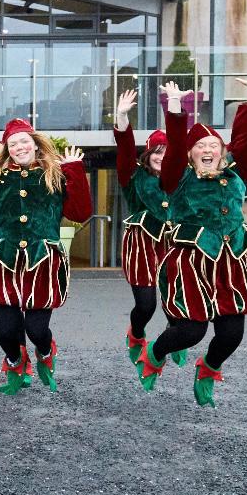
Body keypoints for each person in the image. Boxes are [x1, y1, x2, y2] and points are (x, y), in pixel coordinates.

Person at [135, 79, 247, 407]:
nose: (208, 150)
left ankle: (208, 369)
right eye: (200, 146)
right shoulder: (179, 176)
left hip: (230, 262)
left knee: (231, 334)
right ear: (191, 154)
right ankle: (155, 352)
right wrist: (176, 109)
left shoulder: (235, 174)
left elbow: (246, 142)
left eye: (213, 145)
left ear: (221, 151)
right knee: (192, 331)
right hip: (192, 260)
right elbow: (176, 145)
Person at [0, 119, 92, 395]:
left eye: (24, 141)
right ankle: (15, 362)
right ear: (7, 150)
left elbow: (81, 213)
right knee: (6, 333)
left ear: (36, 144)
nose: (19, 147)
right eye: (13, 144)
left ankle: (46, 352)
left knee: (36, 330)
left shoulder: (55, 175)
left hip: (42, 261)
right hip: (5, 261)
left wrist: (75, 170)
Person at [111, 91, 186, 367]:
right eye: (157, 151)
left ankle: (174, 336)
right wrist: (122, 117)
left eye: (166, 151)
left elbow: (179, 148)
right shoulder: (133, 176)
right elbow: (125, 150)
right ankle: (137, 334)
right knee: (146, 306)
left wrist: (175, 106)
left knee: (176, 301)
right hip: (141, 244)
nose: (161, 156)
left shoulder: (180, 178)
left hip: (175, 244)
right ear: (148, 154)